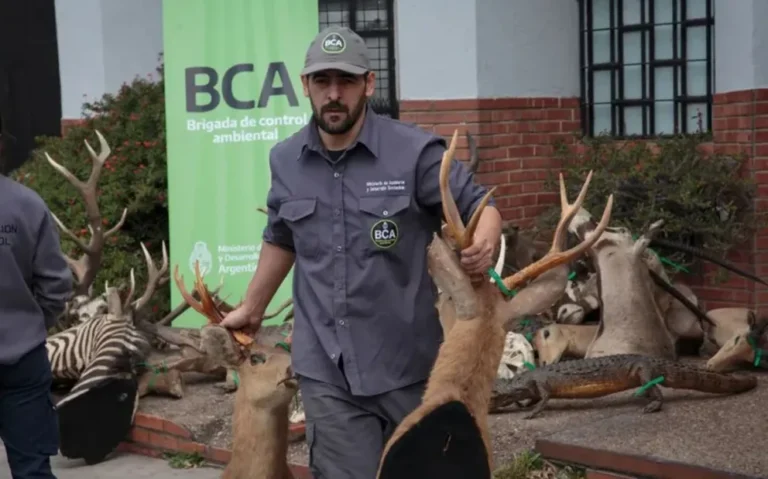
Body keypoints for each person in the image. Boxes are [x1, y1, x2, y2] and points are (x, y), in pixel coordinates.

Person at [221, 25, 503, 478]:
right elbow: (280, 236)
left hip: (409, 368)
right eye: (322, 82)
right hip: (326, 369)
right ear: (305, 86)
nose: (334, 95)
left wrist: (485, 239)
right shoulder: (286, 160)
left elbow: (481, 205)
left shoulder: (415, 153)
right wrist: (252, 307)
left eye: (347, 82)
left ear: (369, 84)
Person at [0, 172, 73, 479]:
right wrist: (30, 325)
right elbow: (55, 284)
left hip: (23, 361)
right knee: (33, 471)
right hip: (22, 358)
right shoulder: (26, 203)